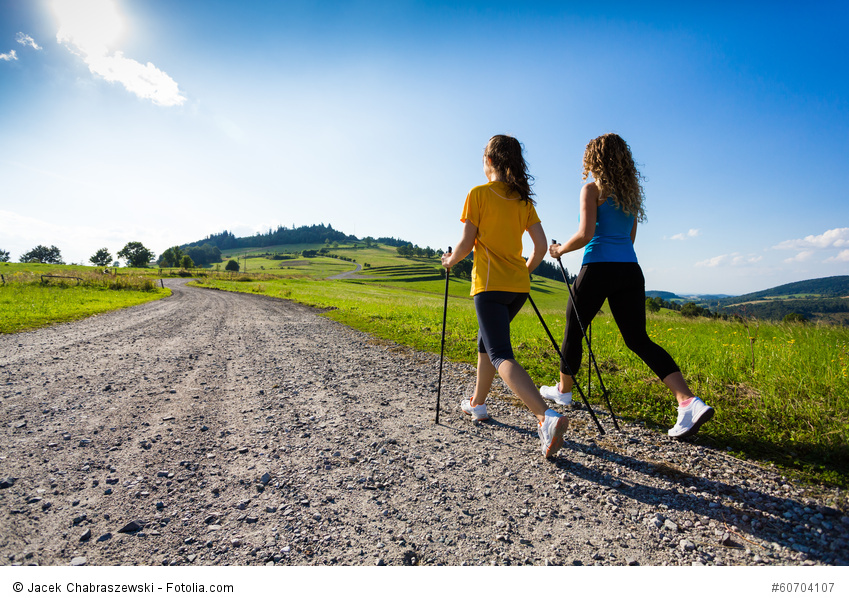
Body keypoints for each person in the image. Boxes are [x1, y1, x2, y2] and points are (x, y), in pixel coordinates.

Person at [540, 133, 713, 439]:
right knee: (638, 339)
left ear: (594, 159)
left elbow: (585, 233)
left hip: (597, 268)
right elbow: (630, 238)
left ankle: (563, 392)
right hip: (630, 270)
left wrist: (559, 251)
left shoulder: (591, 189)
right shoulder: (630, 195)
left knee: (573, 329)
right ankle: (688, 401)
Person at [442, 134, 569, 459]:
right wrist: (524, 271)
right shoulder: (524, 201)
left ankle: (546, 417)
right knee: (486, 343)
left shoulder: (478, 194)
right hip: (518, 288)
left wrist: (449, 261)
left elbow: (467, 243)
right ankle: (478, 404)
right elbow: (540, 248)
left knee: (500, 354)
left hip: (488, 286)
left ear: (490, 161)